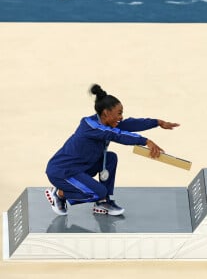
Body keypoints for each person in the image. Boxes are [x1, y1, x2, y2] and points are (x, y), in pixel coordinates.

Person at [44, 84, 179, 216]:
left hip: (82, 167)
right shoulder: (89, 125)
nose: (121, 117)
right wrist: (146, 141)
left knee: (110, 158)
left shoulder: (108, 122)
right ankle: (60, 193)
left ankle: (102, 203)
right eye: (119, 113)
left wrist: (158, 122)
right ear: (106, 113)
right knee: (98, 192)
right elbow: (116, 135)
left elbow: (130, 123)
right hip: (62, 171)